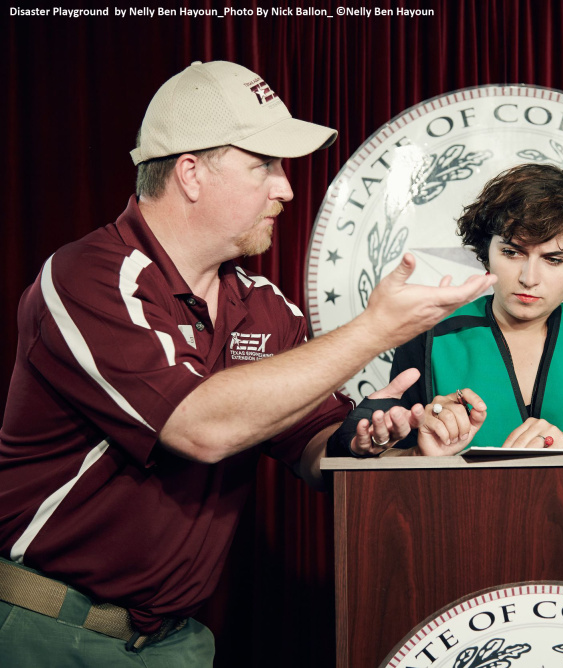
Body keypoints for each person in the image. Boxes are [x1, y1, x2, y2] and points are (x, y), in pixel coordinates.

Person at [0, 60, 494, 665]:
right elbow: (199, 428)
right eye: (263, 165)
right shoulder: (92, 275)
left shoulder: (263, 306)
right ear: (190, 173)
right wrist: (376, 328)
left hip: (176, 642)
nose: (285, 187)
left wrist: (377, 440)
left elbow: (312, 449)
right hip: (52, 631)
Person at [388, 163, 563, 456]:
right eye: (512, 252)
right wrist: (420, 454)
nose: (528, 278)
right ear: (486, 252)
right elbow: (383, 462)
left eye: (554, 259)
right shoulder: (429, 332)